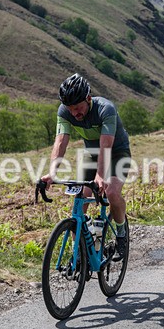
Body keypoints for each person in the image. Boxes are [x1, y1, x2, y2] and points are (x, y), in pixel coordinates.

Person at [40, 73, 131, 256]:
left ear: (88, 98)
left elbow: (106, 145)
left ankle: (122, 234)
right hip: (92, 154)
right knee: (80, 200)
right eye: (70, 109)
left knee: (112, 193)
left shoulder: (106, 109)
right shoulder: (64, 112)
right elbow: (60, 142)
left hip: (117, 152)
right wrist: (52, 173)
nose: (75, 113)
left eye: (78, 108)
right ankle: (79, 253)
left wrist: (100, 175)